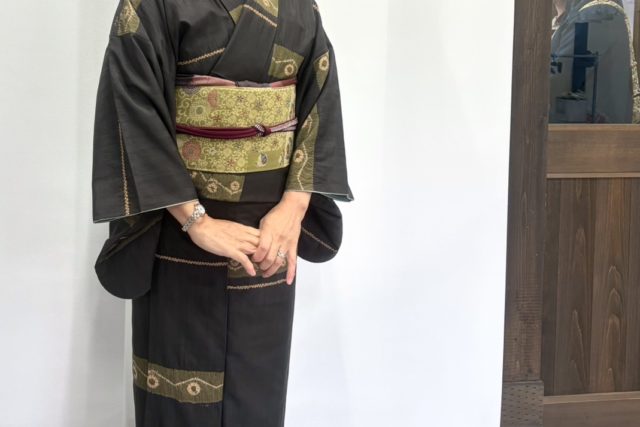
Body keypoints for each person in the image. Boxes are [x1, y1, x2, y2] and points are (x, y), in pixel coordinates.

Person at [91, 0, 353, 425]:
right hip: (178, 235)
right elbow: (133, 108)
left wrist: (294, 207)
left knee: (258, 389)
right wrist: (197, 221)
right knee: (179, 398)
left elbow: (320, 98)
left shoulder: (300, 7)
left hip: (268, 236)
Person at [550, 0, 640, 123]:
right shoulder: (587, 11)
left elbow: (560, 78)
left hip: (592, 128)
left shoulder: (597, 13)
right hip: (586, 121)